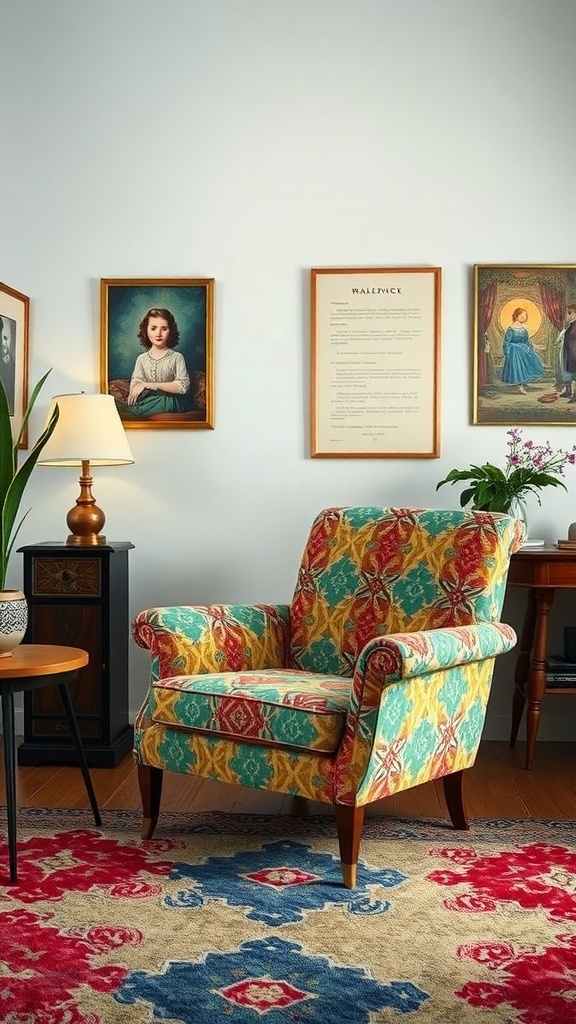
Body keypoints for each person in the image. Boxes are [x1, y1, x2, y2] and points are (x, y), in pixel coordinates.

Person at [119, 307, 193, 419]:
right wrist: (139, 386)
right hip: (150, 400)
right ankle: (130, 411)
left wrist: (150, 385)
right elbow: (135, 385)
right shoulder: (142, 359)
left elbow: (182, 386)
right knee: (127, 404)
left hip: (171, 401)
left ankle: (131, 413)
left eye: (164, 329)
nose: (158, 333)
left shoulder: (177, 357)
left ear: (170, 331)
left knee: (162, 401)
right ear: (146, 330)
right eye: (153, 328)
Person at [500, 307, 545, 394]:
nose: (525, 318)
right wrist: (507, 352)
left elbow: (527, 340)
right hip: (515, 351)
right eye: (522, 316)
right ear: (516, 317)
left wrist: (531, 348)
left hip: (524, 350)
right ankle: (520, 386)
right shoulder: (511, 329)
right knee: (518, 368)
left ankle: (524, 382)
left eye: (525, 316)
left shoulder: (523, 328)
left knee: (526, 366)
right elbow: (506, 342)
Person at [555, 304, 576, 401]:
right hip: (567, 352)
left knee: (573, 372)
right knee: (567, 372)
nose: (567, 315)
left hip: (573, 353)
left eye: (569, 313)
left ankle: (574, 395)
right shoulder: (570, 325)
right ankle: (568, 391)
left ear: (574, 313)